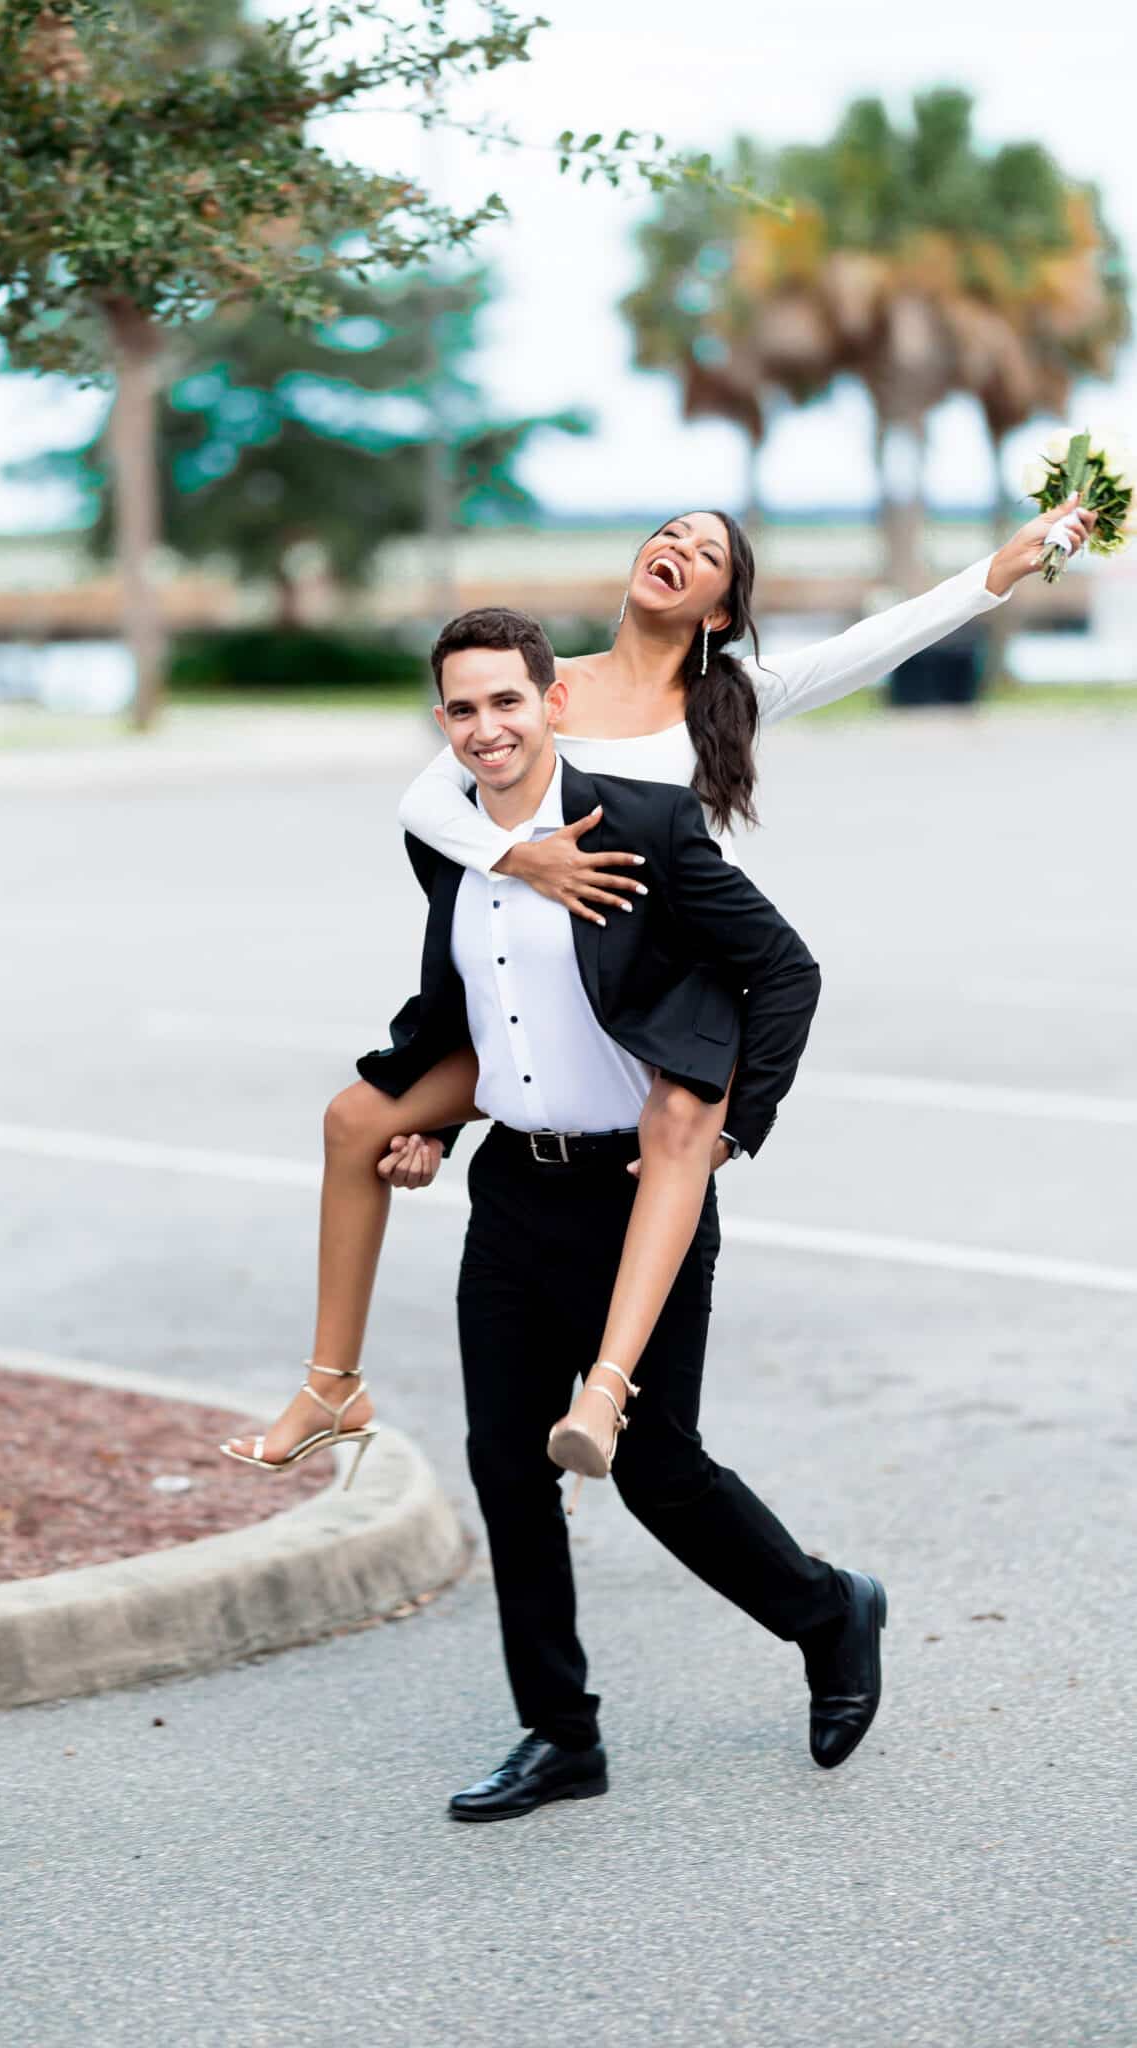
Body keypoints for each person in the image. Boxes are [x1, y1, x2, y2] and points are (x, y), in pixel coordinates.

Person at [224, 493, 1095, 1479]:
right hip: (543, 992)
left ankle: (605, 1392)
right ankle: (332, 1381)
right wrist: (521, 859)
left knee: (680, 1127)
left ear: (720, 607)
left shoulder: (733, 698)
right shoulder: (546, 689)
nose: (678, 547)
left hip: (665, 996)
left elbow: (877, 642)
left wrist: (1007, 567)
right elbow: (424, 802)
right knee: (354, 1120)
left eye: (707, 550)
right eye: (668, 532)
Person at [362, 603, 883, 1816]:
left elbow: (783, 967)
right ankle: (562, 1735)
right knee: (506, 1465)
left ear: (552, 702)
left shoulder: (641, 817)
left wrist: (729, 1130)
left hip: (637, 1190)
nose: (486, 726)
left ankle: (827, 1608)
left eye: (506, 700)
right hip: (515, 1195)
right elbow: (468, 1004)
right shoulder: (452, 845)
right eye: (462, 707)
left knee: (657, 1465)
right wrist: (430, 1122)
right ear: (442, 722)